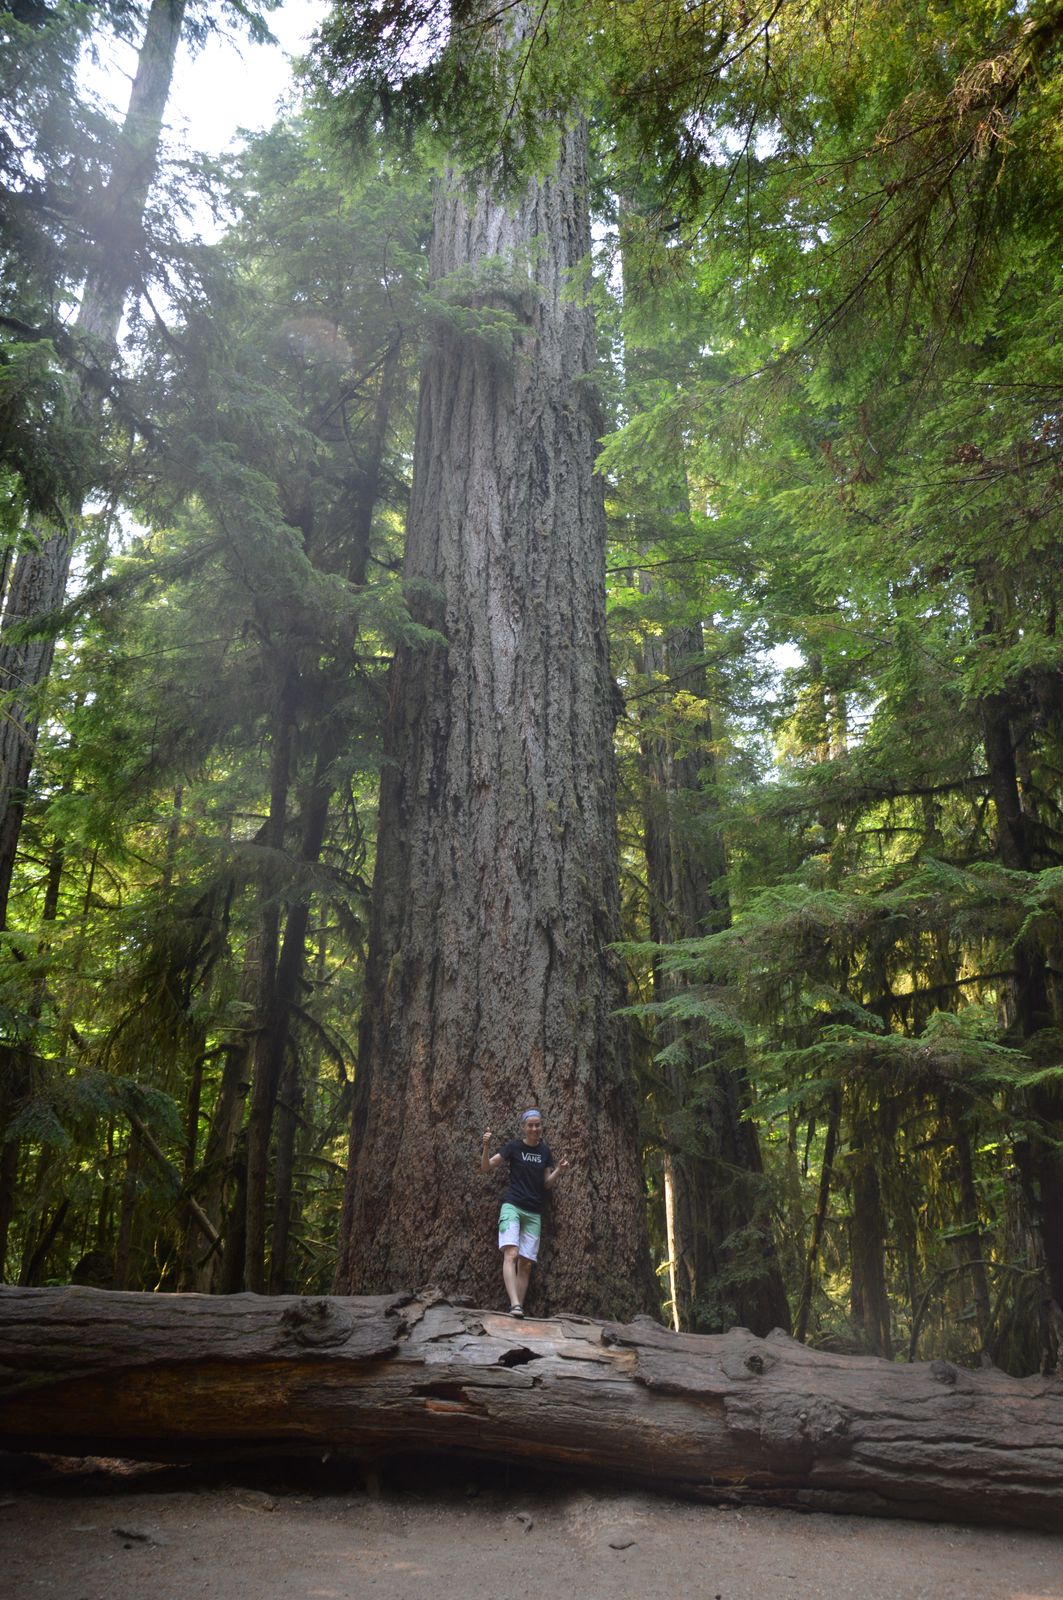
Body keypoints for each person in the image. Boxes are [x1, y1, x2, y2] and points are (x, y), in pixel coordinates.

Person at [480, 1109, 569, 1316]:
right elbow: (486, 1167)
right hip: (512, 1206)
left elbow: (546, 1184)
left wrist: (559, 1171)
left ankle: (517, 1308)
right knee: (511, 1253)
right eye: (530, 1125)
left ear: (541, 1127)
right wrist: (485, 1146)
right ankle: (515, 1304)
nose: (534, 1128)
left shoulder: (544, 1152)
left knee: (526, 1263)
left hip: (533, 1212)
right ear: (524, 1127)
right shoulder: (513, 1147)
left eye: (537, 1125)